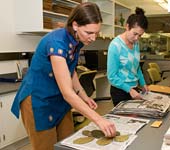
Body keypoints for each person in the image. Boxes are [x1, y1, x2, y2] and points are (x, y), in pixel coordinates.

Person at [11, 2, 116, 150]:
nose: (93, 38)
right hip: (38, 100)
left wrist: (84, 97)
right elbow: (67, 93)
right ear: (75, 25)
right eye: (89, 33)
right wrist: (98, 119)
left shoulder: (76, 40)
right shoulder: (57, 43)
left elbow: (70, 70)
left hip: (58, 98)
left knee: (67, 143)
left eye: (96, 33)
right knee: (46, 146)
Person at [107, 7, 149, 106]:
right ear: (127, 27)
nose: (136, 38)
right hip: (120, 90)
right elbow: (111, 76)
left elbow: (136, 67)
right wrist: (129, 89)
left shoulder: (136, 44)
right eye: (135, 34)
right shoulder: (115, 45)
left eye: (140, 35)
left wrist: (143, 83)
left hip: (134, 88)